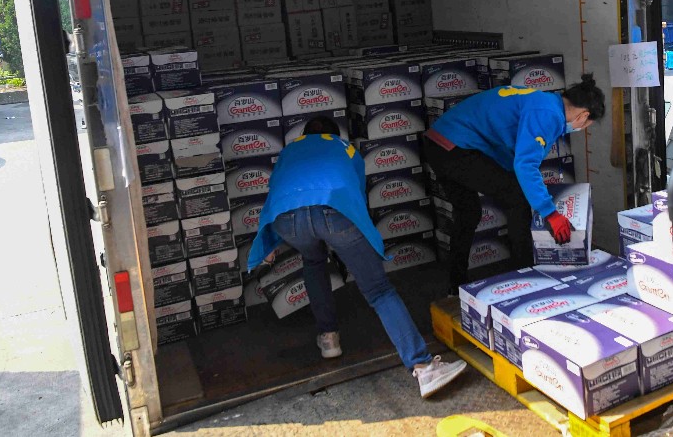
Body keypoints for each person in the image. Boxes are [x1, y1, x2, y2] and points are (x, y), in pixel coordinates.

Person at [246, 116, 468, 398]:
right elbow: (357, 196)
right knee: (379, 291)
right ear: (336, 135)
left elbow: (276, 191)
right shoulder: (346, 148)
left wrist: (268, 240)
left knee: (313, 261)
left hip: (287, 220)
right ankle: (424, 368)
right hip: (334, 209)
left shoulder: (289, 151)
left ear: (304, 134)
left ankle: (329, 339)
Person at [423, 74, 606, 291]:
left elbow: (510, 151)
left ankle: (457, 285)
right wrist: (550, 212)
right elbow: (525, 164)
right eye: (586, 125)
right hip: (456, 148)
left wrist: (532, 188)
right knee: (517, 198)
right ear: (584, 115)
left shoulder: (545, 101)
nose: (581, 128)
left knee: (468, 212)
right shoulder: (548, 114)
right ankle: (527, 276)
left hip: (438, 144)